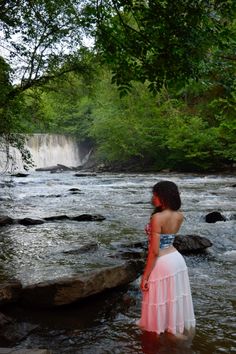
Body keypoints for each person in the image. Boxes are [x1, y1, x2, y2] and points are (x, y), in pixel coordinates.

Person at [137, 180, 195, 337]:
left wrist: (145, 276)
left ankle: (155, 331)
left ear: (162, 196)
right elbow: (168, 238)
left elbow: (154, 251)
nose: (152, 198)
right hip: (176, 259)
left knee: (157, 297)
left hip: (162, 262)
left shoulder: (157, 218)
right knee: (172, 296)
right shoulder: (179, 215)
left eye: (155, 195)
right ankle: (173, 329)